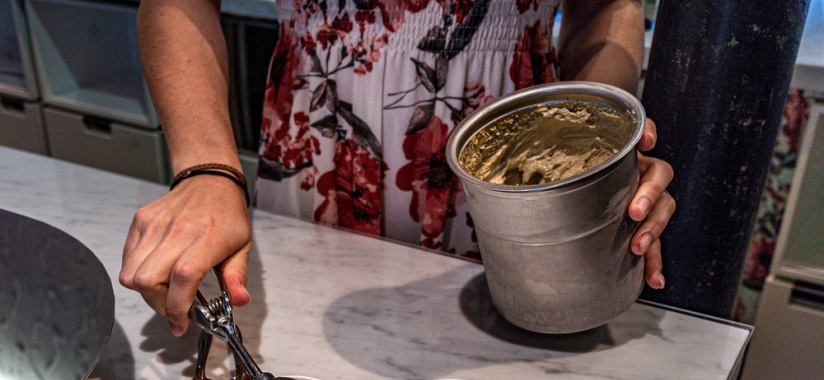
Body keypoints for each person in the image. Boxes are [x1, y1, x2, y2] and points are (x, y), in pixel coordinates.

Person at [120, 0, 676, 336]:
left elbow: (602, 8)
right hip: (322, 138)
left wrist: (595, 157)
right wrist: (206, 169)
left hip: (511, 151)